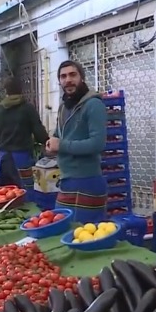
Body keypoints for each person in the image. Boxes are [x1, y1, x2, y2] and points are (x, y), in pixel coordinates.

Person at [47, 61, 108, 224]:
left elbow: (98, 143)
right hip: (67, 180)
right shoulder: (63, 107)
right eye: (63, 76)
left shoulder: (94, 105)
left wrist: (62, 146)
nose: (68, 80)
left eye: (73, 75)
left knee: (84, 236)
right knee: (63, 230)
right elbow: (60, 135)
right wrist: (51, 145)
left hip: (87, 181)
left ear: (82, 78)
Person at [0, 77, 49, 191]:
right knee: (26, 191)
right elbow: (39, 133)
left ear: (5, 91)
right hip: (23, 157)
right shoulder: (28, 108)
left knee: (5, 192)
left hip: (3, 157)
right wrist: (47, 142)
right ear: (21, 90)